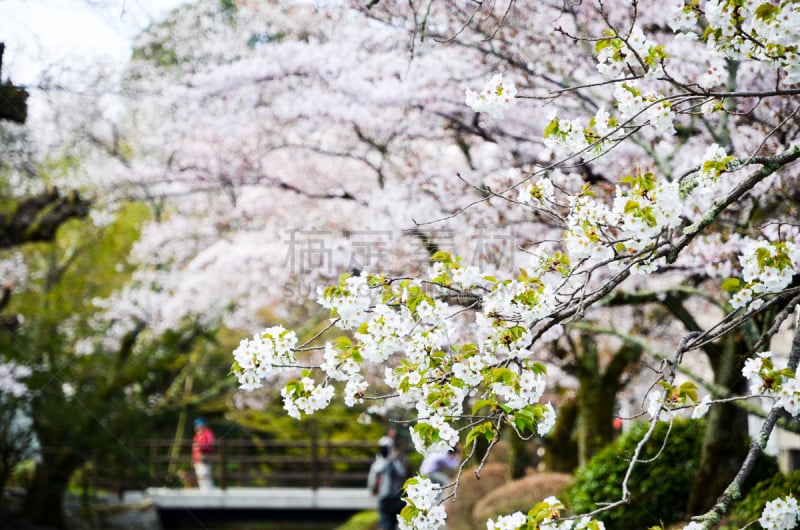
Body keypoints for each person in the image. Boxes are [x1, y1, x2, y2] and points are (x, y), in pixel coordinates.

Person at [367, 444, 406, 530]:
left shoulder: (378, 464)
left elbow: (372, 479)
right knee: (389, 521)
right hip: (390, 496)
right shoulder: (391, 462)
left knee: (386, 520)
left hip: (387, 496)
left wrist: (371, 491)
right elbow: (401, 473)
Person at [192, 417, 215, 489]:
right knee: (201, 479)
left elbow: (210, 445)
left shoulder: (207, 433)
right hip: (198, 459)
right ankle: (205, 494)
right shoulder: (198, 435)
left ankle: (209, 495)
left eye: (199, 425)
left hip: (204, 459)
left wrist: (200, 447)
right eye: (197, 425)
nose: (197, 427)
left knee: (205, 477)